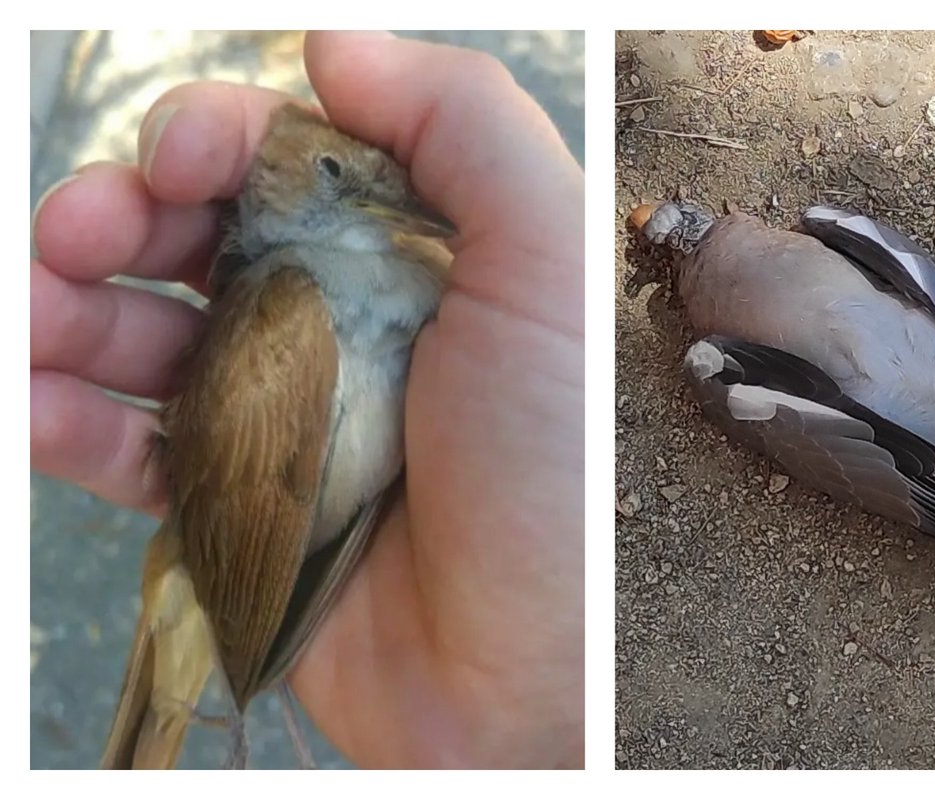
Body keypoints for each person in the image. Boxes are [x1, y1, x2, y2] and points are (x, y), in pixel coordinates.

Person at [30, 31, 584, 769]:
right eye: (333, 171)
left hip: (294, 584)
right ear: (282, 173)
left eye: (387, 192)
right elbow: (264, 516)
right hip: (231, 580)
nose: (373, 205)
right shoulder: (288, 305)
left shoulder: (419, 281)